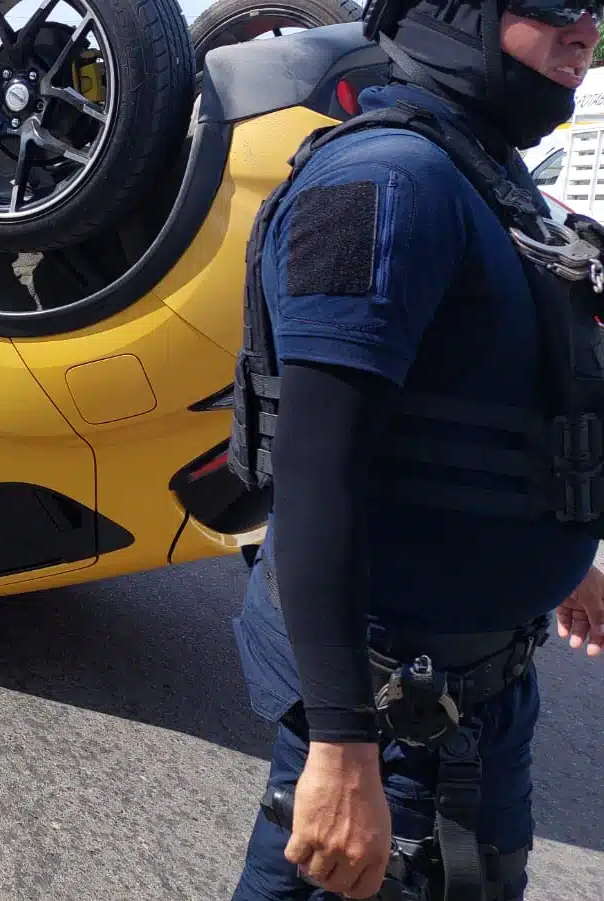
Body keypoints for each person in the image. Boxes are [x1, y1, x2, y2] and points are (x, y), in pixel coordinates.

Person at [228, 0, 604, 899]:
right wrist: (341, 742)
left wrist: (562, 556)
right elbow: (318, 475)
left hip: (483, 695)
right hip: (395, 713)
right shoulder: (387, 185)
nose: (586, 27)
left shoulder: (485, 177)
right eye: (555, 2)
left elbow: (499, 393)